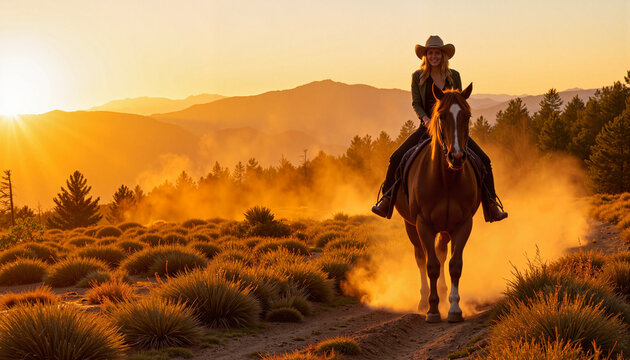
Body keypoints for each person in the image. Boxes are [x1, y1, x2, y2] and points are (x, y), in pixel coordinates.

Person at [372, 35, 508, 222]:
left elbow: (460, 101)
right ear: (425, 56)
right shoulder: (417, 77)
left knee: (484, 160)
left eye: (437, 52)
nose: (434, 56)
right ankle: (386, 199)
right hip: (427, 126)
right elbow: (416, 103)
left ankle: (492, 205)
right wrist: (426, 119)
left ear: (443, 55)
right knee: (396, 157)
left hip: (451, 128)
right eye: (430, 53)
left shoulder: (455, 76)